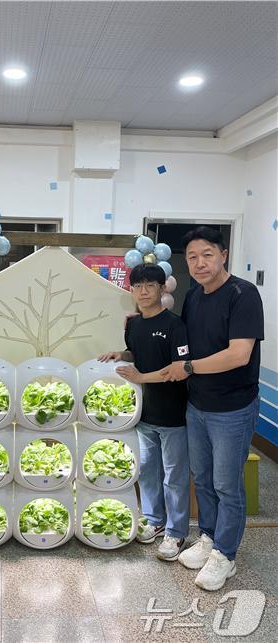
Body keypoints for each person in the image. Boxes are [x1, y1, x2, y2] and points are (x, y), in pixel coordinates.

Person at [161, 226, 264, 591]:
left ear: (223, 254)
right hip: (198, 405)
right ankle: (207, 537)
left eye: (207, 254)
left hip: (233, 408)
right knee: (201, 479)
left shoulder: (243, 294)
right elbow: (186, 342)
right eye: (192, 256)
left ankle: (226, 555)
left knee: (226, 484)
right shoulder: (194, 296)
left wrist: (188, 368)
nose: (199, 263)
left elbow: (239, 354)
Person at [98, 264, 190, 562]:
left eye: (151, 285)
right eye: (138, 286)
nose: (144, 291)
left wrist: (141, 377)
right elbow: (139, 352)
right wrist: (121, 354)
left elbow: (179, 371)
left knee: (174, 477)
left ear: (163, 288)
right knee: (149, 472)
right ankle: (154, 520)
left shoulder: (176, 325)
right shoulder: (134, 324)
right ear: (131, 290)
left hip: (174, 415)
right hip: (144, 415)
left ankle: (176, 533)